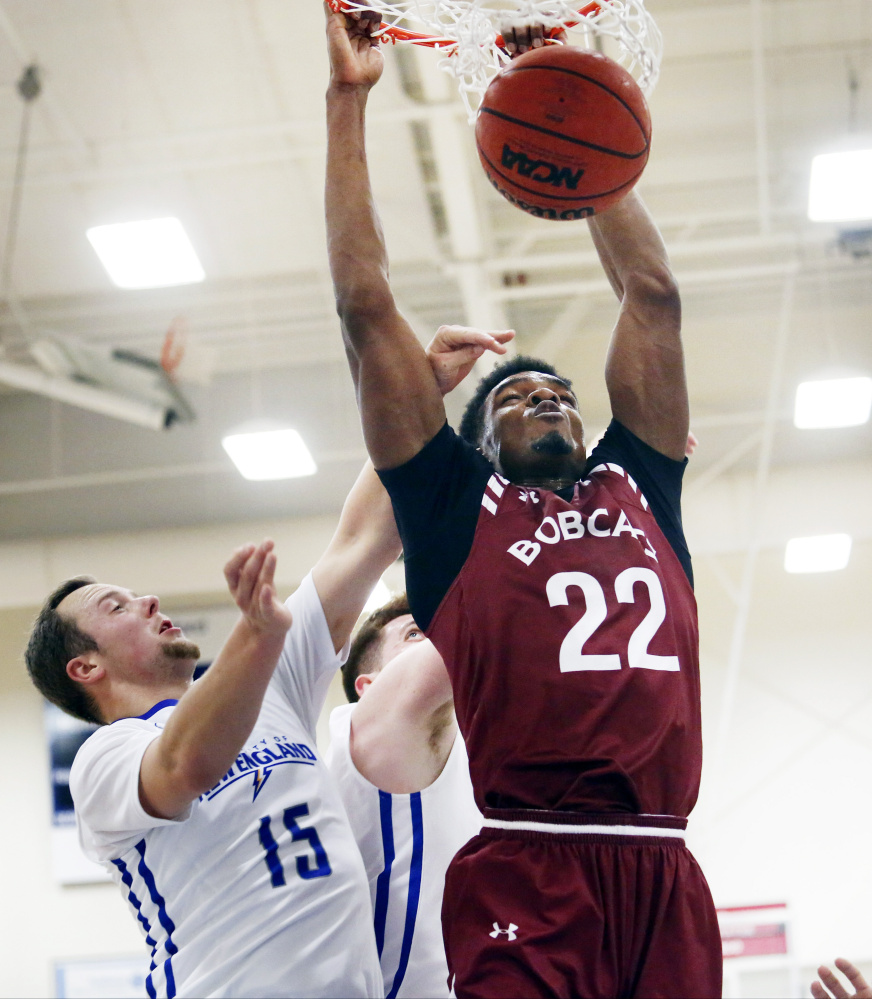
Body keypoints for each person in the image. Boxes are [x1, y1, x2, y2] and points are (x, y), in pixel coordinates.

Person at [325, 9, 722, 999]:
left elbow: (652, 298)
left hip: (663, 867)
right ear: (472, 443)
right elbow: (364, 305)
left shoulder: (640, 482)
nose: (545, 395)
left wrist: (572, 116)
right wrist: (349, 102)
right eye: (512, 395)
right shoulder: (454, 513)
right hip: (528, 867)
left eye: (559, 392)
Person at [24, 464, 401, 999]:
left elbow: (364, 540)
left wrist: (413, 388)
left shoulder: (267, 681)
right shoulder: (103, 760)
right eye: (118, 607)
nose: (149, 601)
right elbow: (187, 764)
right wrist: (256, 636)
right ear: (86, 668)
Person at [326, 595, 482, 999]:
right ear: (370, 685)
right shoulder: (365, 726)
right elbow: (478, 631)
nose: (435, 640)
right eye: (415, 634)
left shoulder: (478, 752)